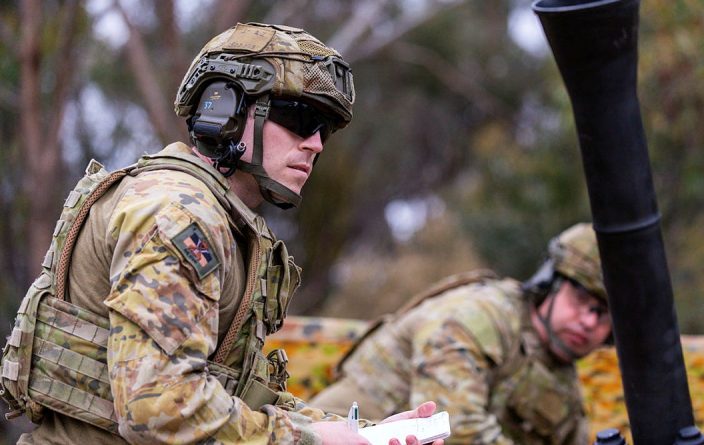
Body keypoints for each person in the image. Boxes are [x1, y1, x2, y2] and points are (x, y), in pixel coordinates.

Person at [2, 22, 442, 445]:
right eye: (300, 118)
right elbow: (159, 409)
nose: (315, 144)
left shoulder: (216, 218)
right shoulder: (179, 214)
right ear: (224, 109)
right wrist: (309, 439)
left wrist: (355, 434)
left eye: (324, 129)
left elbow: (231, 397)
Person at [311, 222, 614, 444]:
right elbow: (454, 430)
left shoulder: (564, 382)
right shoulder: (479, 316)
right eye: (581, 299)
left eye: (604, 313)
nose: (589, 321)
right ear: (549, 283)